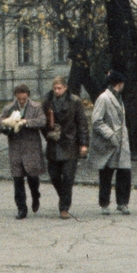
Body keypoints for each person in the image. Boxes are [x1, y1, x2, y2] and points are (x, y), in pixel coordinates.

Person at [41, 76, 89, 219]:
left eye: (59, 88)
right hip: (53, 145)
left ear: (65, 87)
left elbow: (82, 124)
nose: (57, 91)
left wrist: (84, 144)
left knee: (68, 177)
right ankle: (64, 197)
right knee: (54, 175)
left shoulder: (75, 101)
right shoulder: (47, 102)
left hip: (70, 144)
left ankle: (64, 207)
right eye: (54, 88)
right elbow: (42, 123)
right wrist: (48, 134)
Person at [0, 84, 48, 218]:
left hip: (31, 147)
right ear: (16, 96)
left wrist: (25, 122)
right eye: (19, 99)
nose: (21, 101)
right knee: (17, 179)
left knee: (32, 176)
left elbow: (42, 121)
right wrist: (5, 124)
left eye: (24, 98)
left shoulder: (36, 107)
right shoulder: (9, 108)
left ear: (28, 96)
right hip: (15, 147)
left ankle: (35, 195)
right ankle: (21, 208)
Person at [89, 70, 132, 214]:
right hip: (110, 142)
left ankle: (122, 203)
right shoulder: (104, 98)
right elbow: (96, 121)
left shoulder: (119, 97)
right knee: (106, 174)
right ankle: (104, 204)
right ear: (118, 84)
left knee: (125, 173)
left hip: (122, 142)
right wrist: (111, 135)